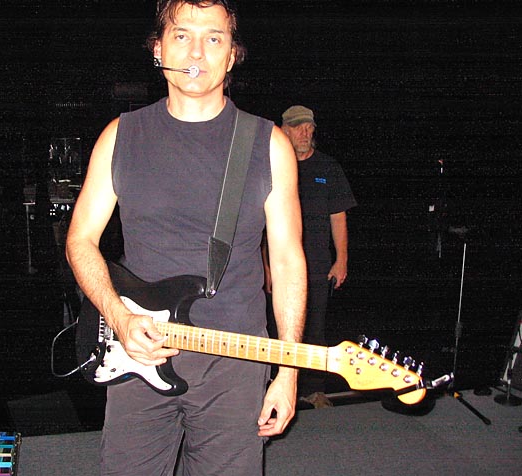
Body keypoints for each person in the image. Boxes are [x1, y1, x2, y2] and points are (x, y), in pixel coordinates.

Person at [65, 2, 307, 475]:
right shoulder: (120, 136)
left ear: (232, 55)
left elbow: (287, 263)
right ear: (158, 49)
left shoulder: (269, 145)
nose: (197, 51)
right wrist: (118, 317)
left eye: (214, 38)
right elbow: (80, 241)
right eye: (181, 35)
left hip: (235, 362)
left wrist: (288, 371)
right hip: (139, 350)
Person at [268, 105, 357, 403]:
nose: (304, 133)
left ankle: (314, 390)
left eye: (309, 127)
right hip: (281, 265)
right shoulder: (275, 166)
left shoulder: (328, 168)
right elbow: (261, 220)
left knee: (316, 328)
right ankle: (277, 388)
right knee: (278, 328)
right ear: (284, 130)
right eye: (298, 127)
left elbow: (338, 216)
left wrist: (341, 259)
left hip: (317, 264)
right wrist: (265, 266)